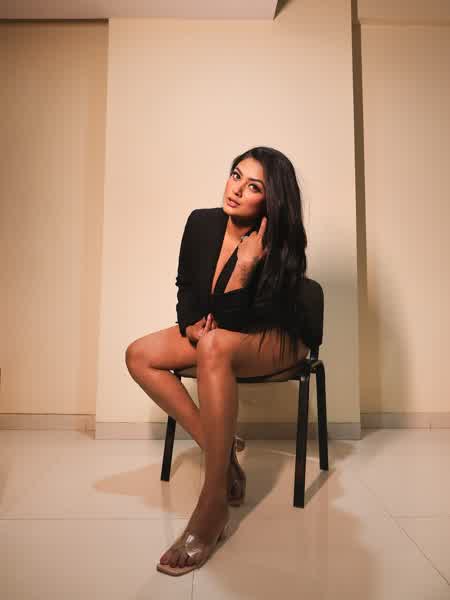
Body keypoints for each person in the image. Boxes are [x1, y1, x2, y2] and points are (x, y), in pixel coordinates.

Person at [125, 146, 315, 576]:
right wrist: (190, 323)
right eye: (236, 175)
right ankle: (223, 452)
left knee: (214, 346)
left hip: (278, 335)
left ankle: (212, 506)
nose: (237, 189)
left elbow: (240, 322)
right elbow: (186, 285)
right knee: (139, 355)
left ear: (270, 200)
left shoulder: (281, 241)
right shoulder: (201, 222)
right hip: (220, 333)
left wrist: (246, 266)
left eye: (254, 186)